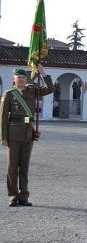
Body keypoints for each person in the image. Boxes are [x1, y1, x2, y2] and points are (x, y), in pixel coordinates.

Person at [1, 65, 54, 207]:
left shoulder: (32, 90)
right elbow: (3, 117)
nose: (21, 80)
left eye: (24, 77)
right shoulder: (9, 94)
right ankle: (13, 196)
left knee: (24, 167)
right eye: (19, 78)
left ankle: (24, 196)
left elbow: (50, 89)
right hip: (13, 134)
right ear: (14, 79)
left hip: (28, 134)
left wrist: (42, 72)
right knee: (13, 167)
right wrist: (3, 137)